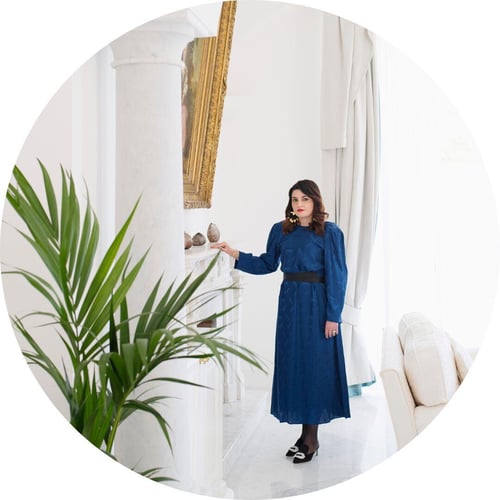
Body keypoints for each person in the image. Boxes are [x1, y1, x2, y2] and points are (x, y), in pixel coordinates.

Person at [211, 179, 350, 464]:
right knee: (295, 365)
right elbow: (266, 264)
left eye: (305, 199)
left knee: (314, 367)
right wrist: (235, 255)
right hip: (290, 305)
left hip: (317, 304)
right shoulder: (281, 230)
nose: (299, 204)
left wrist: (332, 316)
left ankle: (311, 438)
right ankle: (302, 435)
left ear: (315, 202)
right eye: (294, 199)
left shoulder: (330, 232)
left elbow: (338, 276)